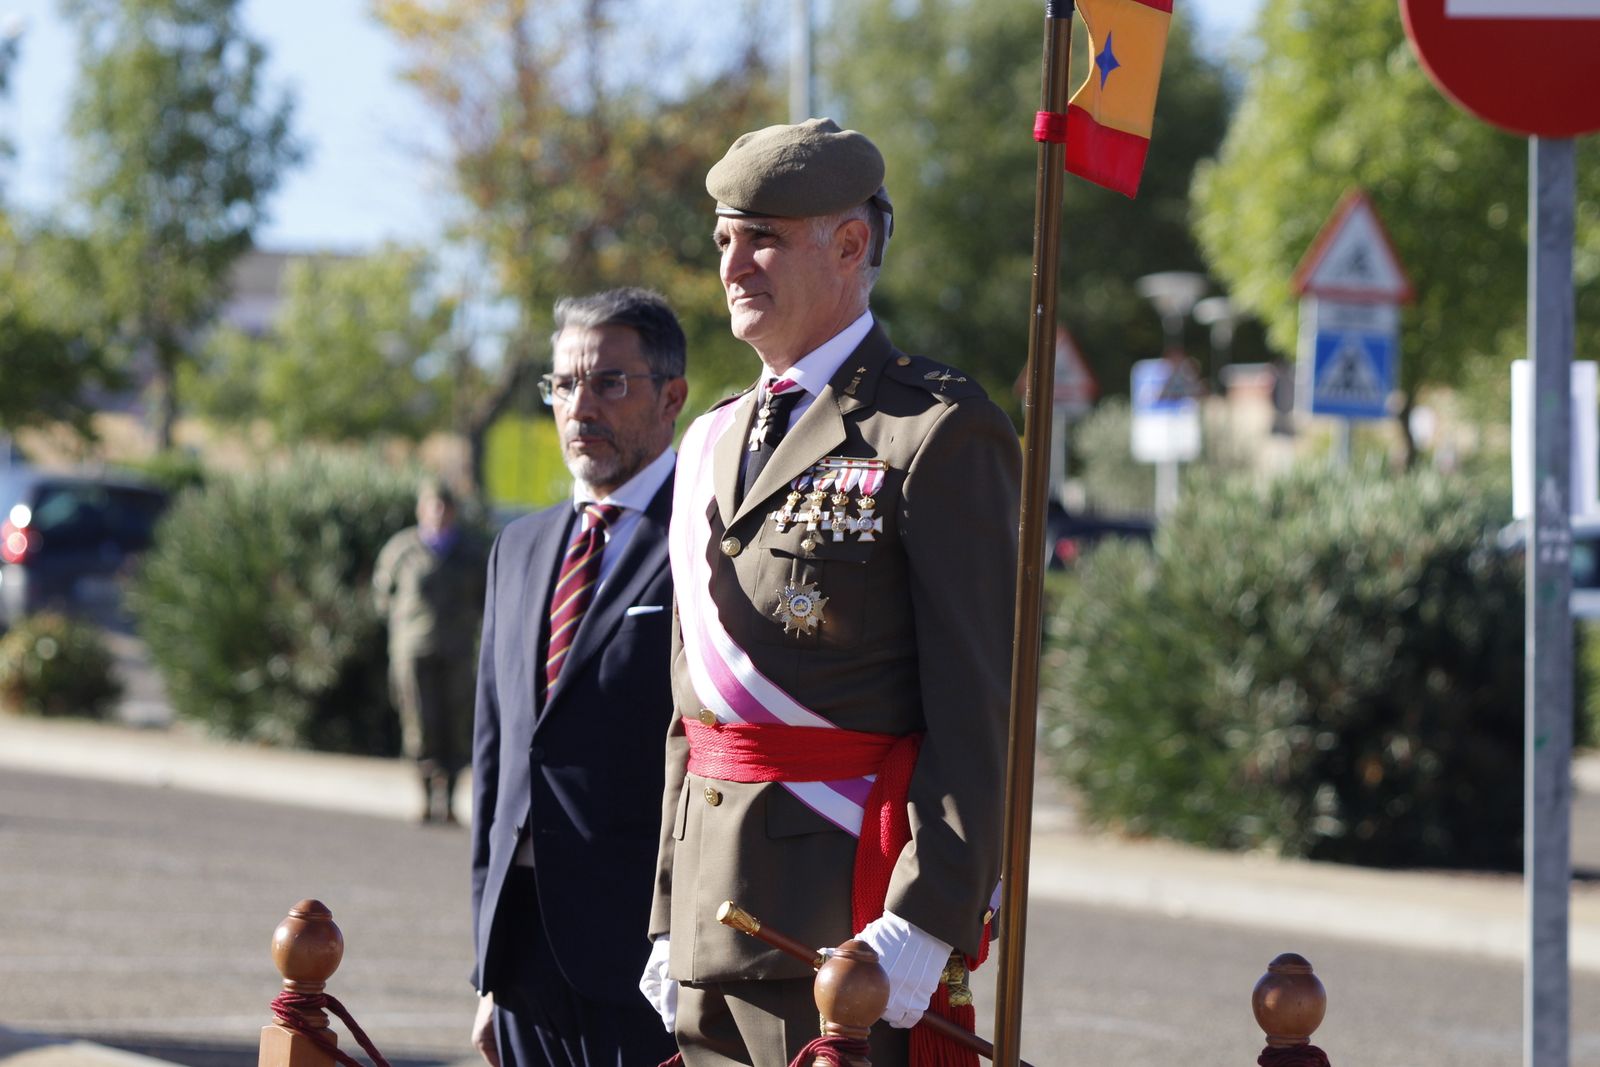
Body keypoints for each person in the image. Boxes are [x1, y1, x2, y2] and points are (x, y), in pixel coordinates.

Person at [641, 119, 1021, 1067]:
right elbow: (693, 711)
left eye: (764, 236)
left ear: (850, 245)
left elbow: (980, 709)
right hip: (708, 914)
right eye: (725, 236)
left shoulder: (934, 429)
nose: (735, 263)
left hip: (842, 926)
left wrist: (926, 920)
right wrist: (664, 910)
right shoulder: (710, 441)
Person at [470, 288, 689, 1067]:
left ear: (672, 396)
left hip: (644, 955)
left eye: (608, 382)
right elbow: (496, 761)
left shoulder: (704, 541)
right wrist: (487, 973)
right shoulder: (520, 548)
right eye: (563, 384)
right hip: (524, 950)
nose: (579, 405)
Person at [373, 479, 486, 824]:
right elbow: (383, 598)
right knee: (420, 723)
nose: (437, 513)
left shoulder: (469, 553)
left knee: (456, 724)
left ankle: (449, 801)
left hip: (456, 651)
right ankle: (423, 797)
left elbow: (485, 598)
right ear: (421, 510)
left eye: (444, 506)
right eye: (431, 506)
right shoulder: (402, 549)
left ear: (452, 511)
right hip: (413, 650)